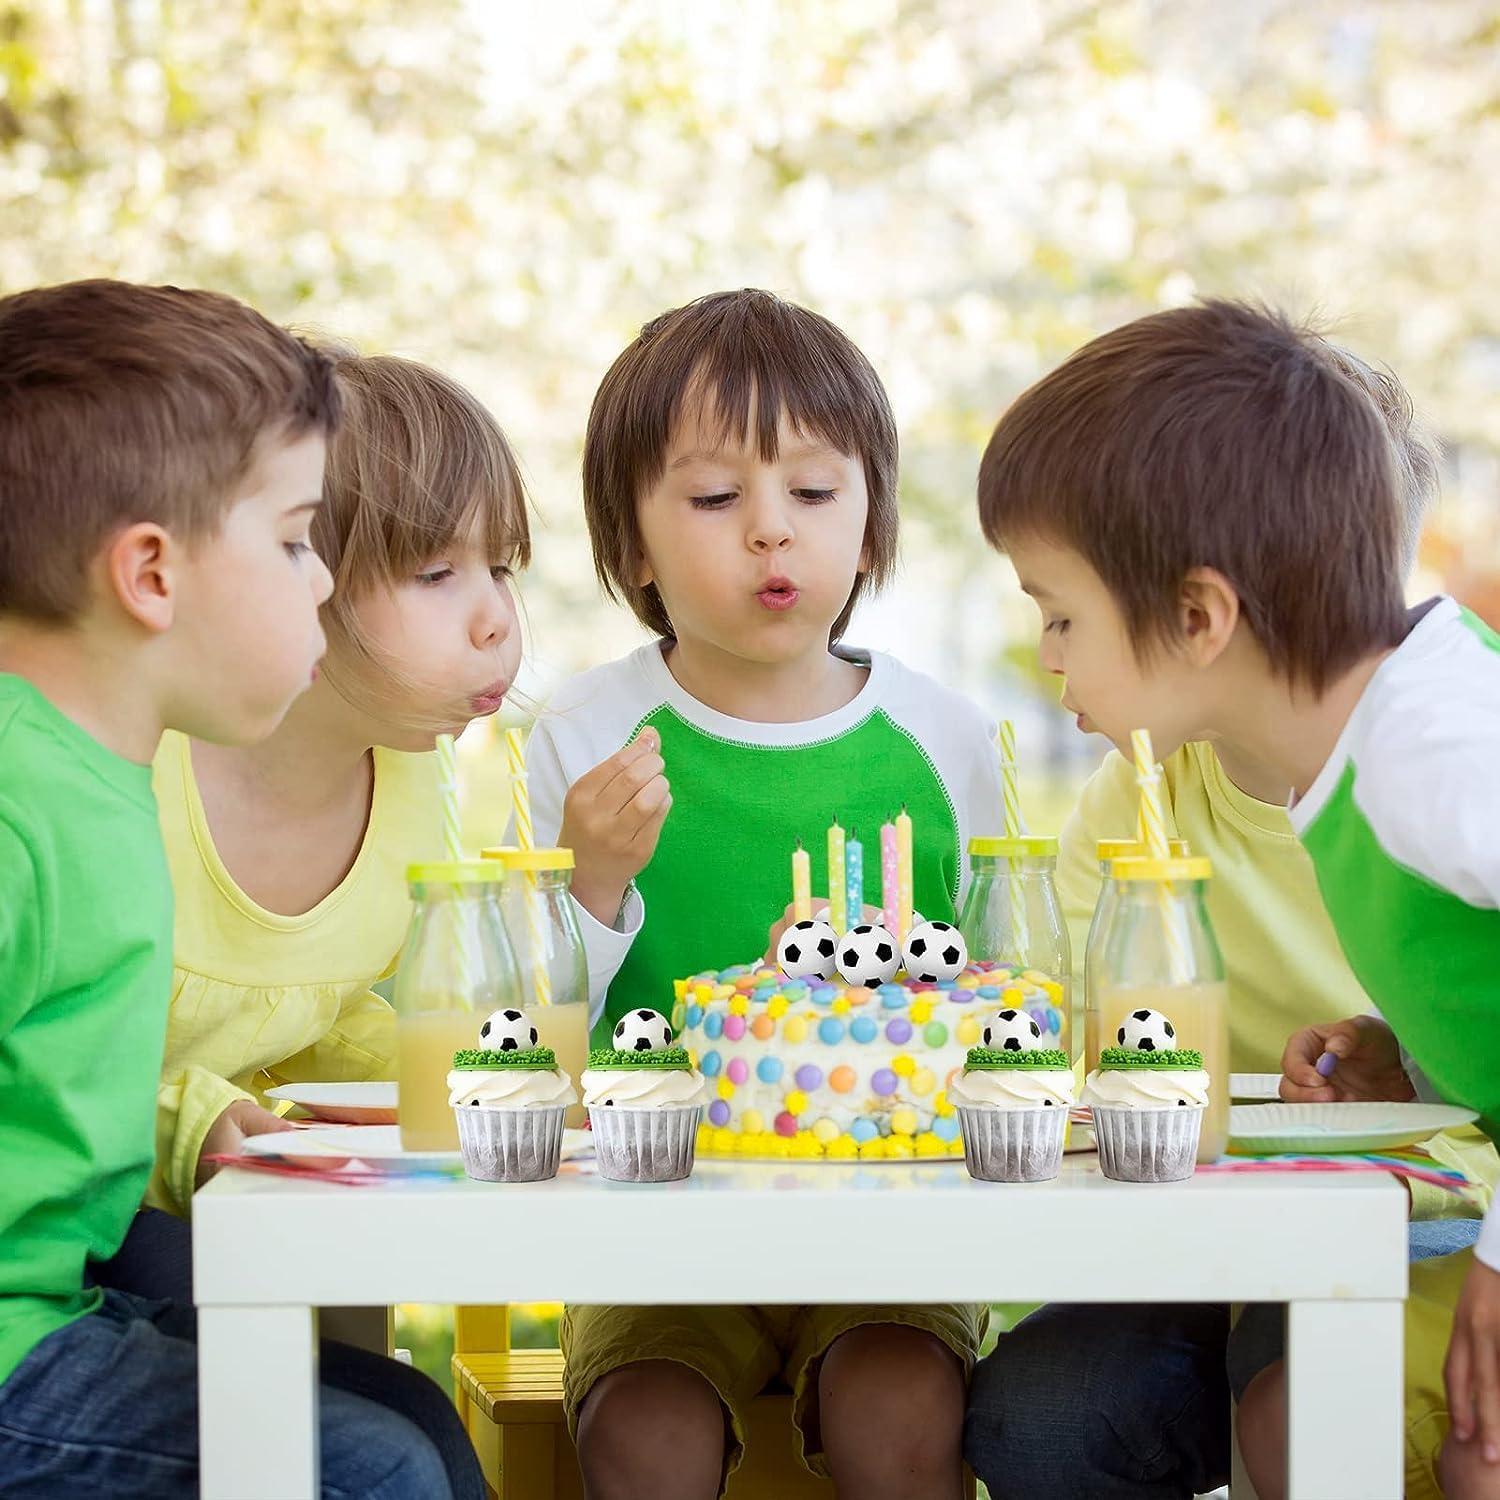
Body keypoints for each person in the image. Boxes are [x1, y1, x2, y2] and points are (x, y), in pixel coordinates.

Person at [966, 297, 1500, 1500]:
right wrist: (1415, 1064)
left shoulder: (1435, 751)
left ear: (1199, 617)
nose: (1049, 654)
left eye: (1062, 613)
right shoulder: (1365, 755)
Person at [528, 289, 1007, 1499]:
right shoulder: (585, 735)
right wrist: (591, 879)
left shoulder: (946, 738)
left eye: (813, 491)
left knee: (901, 1403)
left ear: (873, 522)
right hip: (657, 1231)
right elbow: (526, 1031)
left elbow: (1008, 997)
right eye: (712, 498)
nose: (770, 533)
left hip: (899, 1224)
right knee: (645, 1429)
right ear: (632, 548)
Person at [0, 278, 460, 1496]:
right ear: (151, 574)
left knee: (413, 1412)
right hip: (15, 1355)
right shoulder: (16, 805)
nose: (324, 583)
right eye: (296, 539)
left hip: (55, 1305)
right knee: (375, 1472)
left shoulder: (93, 780)